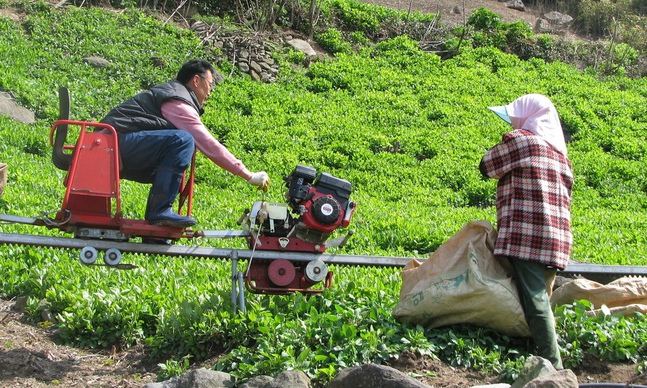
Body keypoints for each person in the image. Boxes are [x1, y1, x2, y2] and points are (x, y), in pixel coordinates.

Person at [101, 59, 269, 229]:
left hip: (118, 144)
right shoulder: (178, 102)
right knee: (183, 140)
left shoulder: (175, 96)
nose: (210, 92)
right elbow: (208, 144)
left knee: (178, 149)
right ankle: (159, 211)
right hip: (111, 145)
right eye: (210, 85)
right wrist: (248, 175)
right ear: (196, 80)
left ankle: (160, 220)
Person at [479, 94, 573, 369]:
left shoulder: (522, 141)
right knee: (536, 296)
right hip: (556, 239)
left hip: (527, 235)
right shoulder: (561, 156)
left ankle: (553, 366)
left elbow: (486, 166)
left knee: (535, 301)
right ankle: (533, 354)